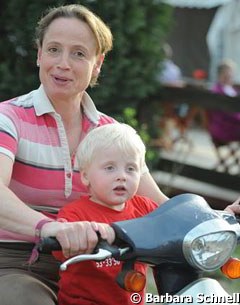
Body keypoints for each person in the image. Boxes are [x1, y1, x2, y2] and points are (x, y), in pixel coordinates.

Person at [0, 4, 168, 305]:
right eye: (53, 49)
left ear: (98, 63)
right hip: (18, 262)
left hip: (101, 267)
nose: (63, 63)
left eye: (78, 53)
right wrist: (47, 226)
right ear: (39, 55)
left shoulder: (112, 131)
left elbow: (159, 206)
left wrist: (215, 217)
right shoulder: (9, 119)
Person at [53, 123, 158, 305]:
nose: (122, 176)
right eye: (110, 168)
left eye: (131, 168)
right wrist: (75, 236)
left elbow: (176, 222)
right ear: (85, 176)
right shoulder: (75, 214)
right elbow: (59, 247)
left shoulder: (145, 208)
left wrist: (215, 215)